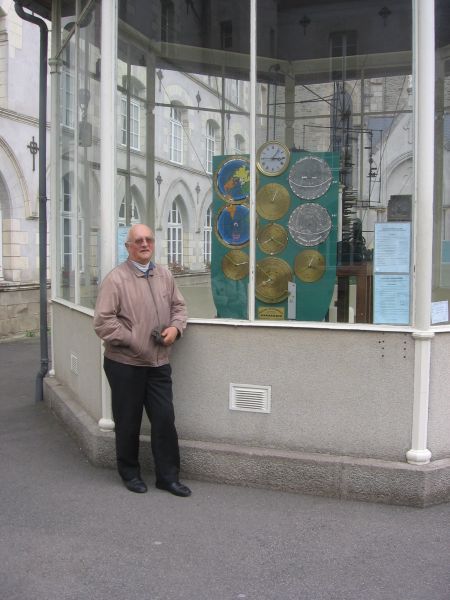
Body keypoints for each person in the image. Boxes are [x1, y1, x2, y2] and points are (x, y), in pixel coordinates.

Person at [93, 223, 191, 497]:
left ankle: (168, 478)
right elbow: (103, 322)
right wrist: (136, 340)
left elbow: (179, 307)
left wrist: (176, 328)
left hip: (159, 363)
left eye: (148, 239)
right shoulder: (116, 279)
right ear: (128, 247)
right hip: (125, 364)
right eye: (138, 240)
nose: (145, 244)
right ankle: (130, 473)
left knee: (164, 420)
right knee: (128, 421)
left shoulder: (164, 275)